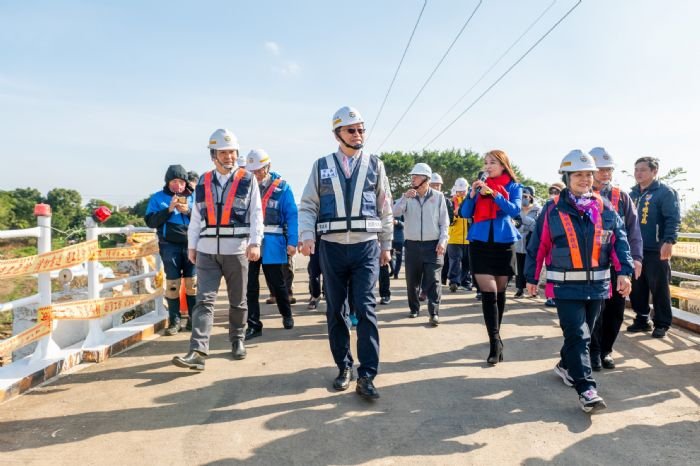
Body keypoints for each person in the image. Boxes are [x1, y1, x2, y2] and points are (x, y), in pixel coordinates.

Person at [525, 150, 634, 414]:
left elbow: (619, 240)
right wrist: (530, 277)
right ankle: (587, 390)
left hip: (597, 286)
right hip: (565, 287)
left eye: (589, 174)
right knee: (578, 334)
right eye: (578, 174)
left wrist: (624, 272)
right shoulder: (552, 209)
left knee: (581, 335)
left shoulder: (604, 206)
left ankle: (565, 366)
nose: (585, 179)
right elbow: (537, 245)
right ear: (567, 176)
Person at [298, 106, 393, 400]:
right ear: (337, 134)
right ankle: (343, 367)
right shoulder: (321, 165)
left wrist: (387, 245)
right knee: (336, 310)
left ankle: (367, 375)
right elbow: (309, 204)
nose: (358, 134)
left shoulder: (376, 165)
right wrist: (306, 236)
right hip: (332, 248)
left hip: (366, 246)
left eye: (361, 129)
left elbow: (385, 207)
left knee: (365, 310)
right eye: (351, 130)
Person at [172, 128, 263, 371]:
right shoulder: (204, 180)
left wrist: (255, 242)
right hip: (206, 250)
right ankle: (198, 352)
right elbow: (196, 216)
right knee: (204, 301)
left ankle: (237, 339)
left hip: (237, 250)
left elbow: (256, 213)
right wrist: (192, 245)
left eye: (232, 152)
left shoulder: (247, 178)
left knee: (238, 301)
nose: (229, 157)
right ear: (214, 155)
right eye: (223, 153)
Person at [460, 150, 522, 365]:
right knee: (489, 290)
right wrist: (472, 194)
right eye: (486, 163)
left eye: (492, 162)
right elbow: (466, 213)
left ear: (503, 165)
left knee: (501, 291)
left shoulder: (514, 186)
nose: (487, 166)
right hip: (479, 243)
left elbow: (514, 210)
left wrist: (495, 194)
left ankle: (497, 335)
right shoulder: (477, 186)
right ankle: (494, 341)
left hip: (504, 243)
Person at [588, 147, 643, 369]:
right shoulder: (579, 195)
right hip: (589, 264)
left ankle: (606, 350)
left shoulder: (622, 197)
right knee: (593, 310)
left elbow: (633, 230)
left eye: (608, 169)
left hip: (617, 263)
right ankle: (593, 351)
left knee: (615, 310)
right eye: (600, 169)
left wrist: (636, 258)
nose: (605, 173)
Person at [243, 149, 298, 341]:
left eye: (259, 170)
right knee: (249, 285)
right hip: (249, 243)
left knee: (278, 283)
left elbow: (292, 215)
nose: (256, 174)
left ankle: (287, 314)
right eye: (252, 171)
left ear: (268, 167)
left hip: (272, 242)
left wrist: (292, 242)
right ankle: (253, 324)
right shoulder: (244, 187)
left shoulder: (283, 188)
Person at [627, 156, 681, 339]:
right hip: (635, 250)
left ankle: (662, 324)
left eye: (642, 169)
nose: (638, 173)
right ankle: (642, 319)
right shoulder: (632, 194)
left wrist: (669, 241)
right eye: (636, 170)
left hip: (656, 249)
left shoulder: (665, 192)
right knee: (637, 287)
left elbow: (673, 219)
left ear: (654, 171)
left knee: (659, 288)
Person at [393, 164, 449, 326]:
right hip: (412, 245)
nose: (412, 179)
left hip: (434, 246)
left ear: (426, 179)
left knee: (433, 279)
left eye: (416, 176)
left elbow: (444, 222)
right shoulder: (407, 197)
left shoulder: (438, 197)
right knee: (412, 281)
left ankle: (434, 312)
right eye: (412, 176)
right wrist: (404, 198)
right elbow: (394, 212)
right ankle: (414, 308)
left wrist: (443, 241)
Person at [145, 165, 196, 335]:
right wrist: (169, 209)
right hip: (169, 245)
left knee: (192, 283)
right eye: (174, 181)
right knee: (173, 284)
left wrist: (187, 211)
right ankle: (174, 321)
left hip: (192, 245)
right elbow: (151, 221)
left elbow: (204, 218)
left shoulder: (193, 197)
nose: (178, 185)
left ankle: (193, 319)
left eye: (181, 182)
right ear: (168, 182)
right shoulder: (157, 198)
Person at [513, 186, 541, 298]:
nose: (523, 198)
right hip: (518, 241)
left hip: (531, 241)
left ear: (531, 197)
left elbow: (535, 226)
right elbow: (514, 224)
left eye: (525, 196)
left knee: (531, 266)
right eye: (521, 196)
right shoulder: (516, 208)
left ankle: (533, 289)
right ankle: (520, 288)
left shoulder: (538, 210)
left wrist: (523, 220)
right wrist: (524, 224)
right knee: (519, 266)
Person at [542, 181, 566, 307]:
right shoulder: (547, 207)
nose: (553, 194)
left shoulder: (568, 206)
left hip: (563, 248)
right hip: (549, 247)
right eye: (551, 191)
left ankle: (560, 296)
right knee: (550, 272)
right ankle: (550, 296)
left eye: (556, 191)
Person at [447, 177, 472, 292]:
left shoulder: (471, 201)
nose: (461, 192)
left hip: (469, 238)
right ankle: (454, 282)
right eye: (459, 190)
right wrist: (454, 216)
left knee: (467, 262)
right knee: (455, 261)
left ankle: (465, 282)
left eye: (463, 190)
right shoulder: (451, 202)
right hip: (453, 237)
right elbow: (446, 219)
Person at [389, 215, 405, 279]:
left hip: (399, 239)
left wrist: (397, 222)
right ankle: (393, 269)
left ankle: (396, 273)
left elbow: (406, 224)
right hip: (389, 238)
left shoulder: (401, 208)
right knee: (389, 256)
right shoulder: (387, 207)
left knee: (399, 258)